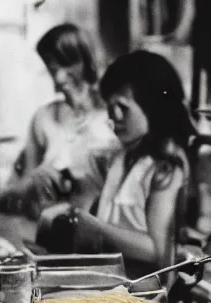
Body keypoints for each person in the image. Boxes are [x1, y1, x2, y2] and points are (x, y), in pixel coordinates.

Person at [42, 51, 198, 274]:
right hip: (113, 281)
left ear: (152, 106)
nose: (114, 117)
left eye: (123, 108)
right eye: (110, 106)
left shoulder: (166, 165)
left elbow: (158, 252)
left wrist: (97, 228)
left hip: (145, 291)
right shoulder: (124, 155)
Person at [3, 24, 119, 219]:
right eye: (51, 67)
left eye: (67, 66)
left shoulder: (115, 115)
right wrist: (33, 180)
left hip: (103, 226)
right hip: (52, 226)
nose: (59, 77)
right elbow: (24, 184)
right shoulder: (43, 117)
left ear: (86, 60)